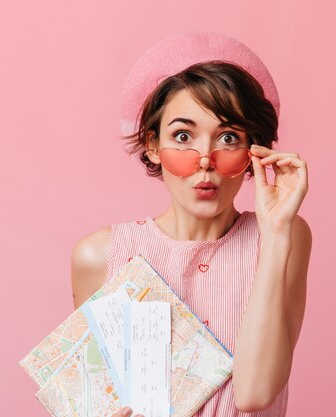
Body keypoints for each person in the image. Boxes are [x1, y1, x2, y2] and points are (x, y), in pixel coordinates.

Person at [71, 32, 312, 417]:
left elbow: (254, 394)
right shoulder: (99, 256)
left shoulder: (284, 235)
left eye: (228, 137)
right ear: (152, 144)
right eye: (183, 136)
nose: (204, 159)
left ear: (254, 150)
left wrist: (276, 232)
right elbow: (90, 399)